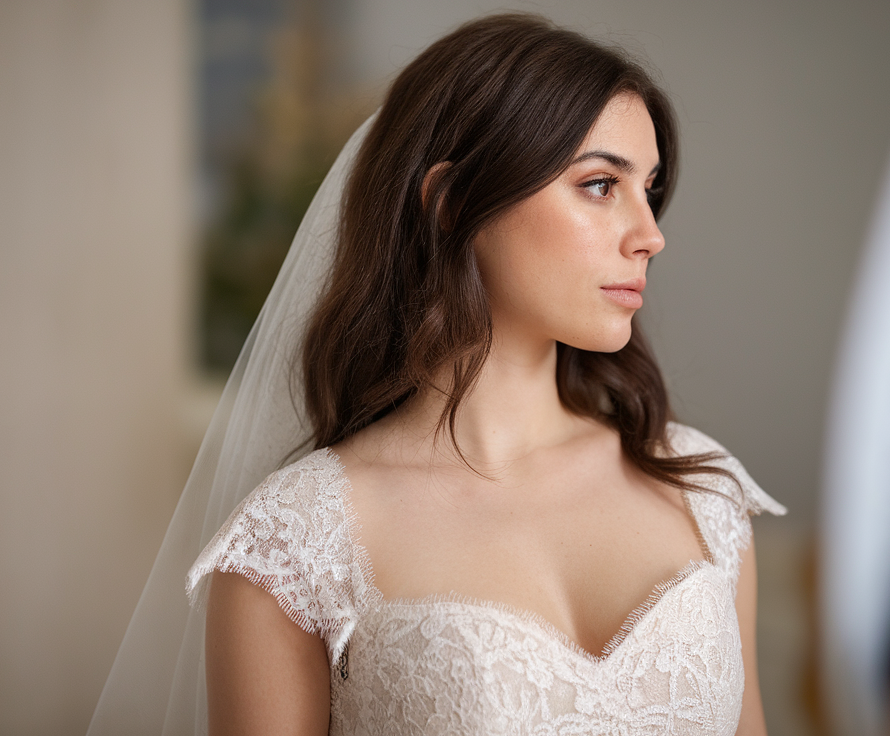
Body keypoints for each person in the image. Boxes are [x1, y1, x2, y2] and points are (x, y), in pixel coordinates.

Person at [89, 13, 783, 736]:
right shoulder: (296, 542)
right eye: (602, 185)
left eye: (651, 188)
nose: (651, 234)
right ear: (452, 201)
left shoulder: (702, 489)